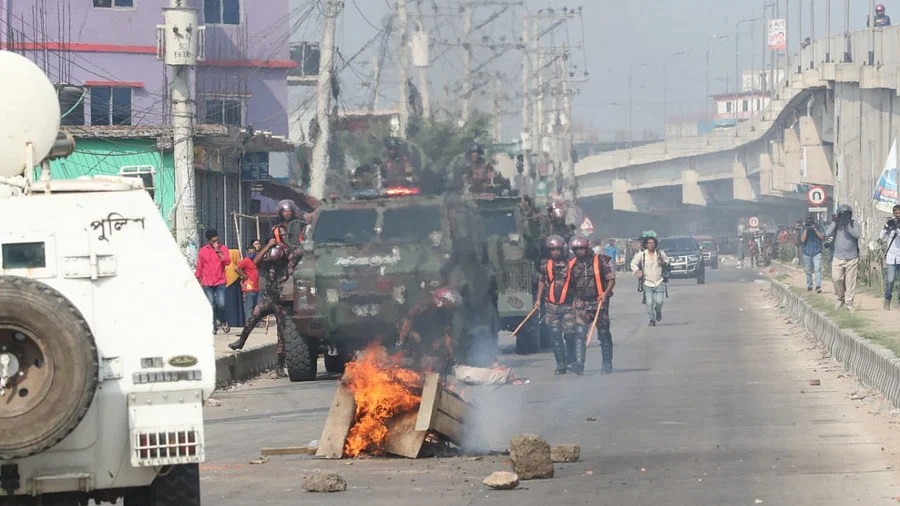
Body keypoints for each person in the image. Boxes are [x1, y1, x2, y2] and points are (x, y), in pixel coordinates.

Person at [568, 236, 616, 375]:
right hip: (581, 302)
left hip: (599, 301)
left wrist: (606, 293)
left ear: (587, 248)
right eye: (576, 249)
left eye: (581, 248)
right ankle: (579, 363)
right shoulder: (572, 264)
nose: (579, 251)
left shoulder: (601, 260)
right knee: (580, 333)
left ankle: (607, 363)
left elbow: (611, 279)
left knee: (603, 333)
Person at [535, 235, 577, 375]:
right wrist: (538, 299)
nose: (555, 252)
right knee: (555, 334)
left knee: (570, 334)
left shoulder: (571, 264)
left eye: (557, 249)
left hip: (568, 305)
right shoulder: (545, 265)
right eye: (552, 250)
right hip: (551, 305)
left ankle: (571, 361)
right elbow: (541, 281)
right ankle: (561, 364)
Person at [825, 204, 861, 311]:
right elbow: (827, 233)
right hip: (838, 256)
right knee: (836, 278)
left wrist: (847, 226)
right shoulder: (836, 224)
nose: (845, 217)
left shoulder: (853, 223)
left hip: (852, 257)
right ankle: (840, 298)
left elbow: (857, 234)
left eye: (847, 214)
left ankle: (849, 303)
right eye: (843, 215)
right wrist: (834, 222)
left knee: (850, 281)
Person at [195, 229, 231, 334]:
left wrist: (218, 251)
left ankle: (223, 321)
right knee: (211, 305)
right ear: (209, 240)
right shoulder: (203, 251)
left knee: (221, 304)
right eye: (213, 241)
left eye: (216, 240)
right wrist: (197, 278)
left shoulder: (223, 248)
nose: (215, 243)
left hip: (220, 281)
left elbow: (227, 262)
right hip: (207, 281)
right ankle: (214, 325)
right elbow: (199, 266)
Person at [631, 236, 670, 327]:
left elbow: (667, 260)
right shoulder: (642, 254)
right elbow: (633, 263)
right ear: (646, 245)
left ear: (655, 244)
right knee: (649, 303)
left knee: (659, 301)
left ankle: (658, 310)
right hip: (647, 283)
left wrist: (663, 262)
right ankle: (651, 319)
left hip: (659, 281)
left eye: (653, 243)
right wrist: (637, 271)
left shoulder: (660, 253)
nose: (651, 245)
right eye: (649, 243)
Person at [234, 243, 261, 322]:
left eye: (253, 253)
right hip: (249, 287)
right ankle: (249, 322)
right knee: (249, 306)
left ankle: (256, 322)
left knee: (257, 307)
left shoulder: (256, 260)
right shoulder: (245, 261)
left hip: (257, 287)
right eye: (250, 253)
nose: (252, 254)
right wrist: (243, 275)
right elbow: (236, 268)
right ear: (247, 253)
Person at [880, 204, 900, 309]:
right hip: (891, 256)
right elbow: (881, 236)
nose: (897, 215)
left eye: (899, 213)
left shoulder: (897, 226)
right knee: (890, 280)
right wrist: (887, 226)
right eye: (896, 213)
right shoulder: (891, 224)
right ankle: (887, 299)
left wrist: (896, 227)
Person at [800, 215, 825, 293]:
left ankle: (818, 286)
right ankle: (809, 286)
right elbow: (802, 240)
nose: (809, 223)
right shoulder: (804, 228)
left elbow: (822, 237)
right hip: (807, 252)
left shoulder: (818, 226)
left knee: (817, 269)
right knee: (808, 271)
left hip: (817, 251)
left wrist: (815, 229)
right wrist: (806, 230)